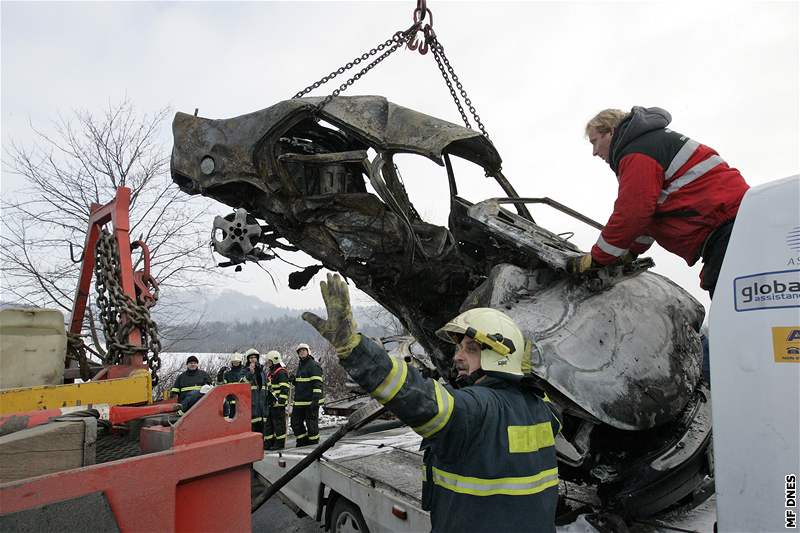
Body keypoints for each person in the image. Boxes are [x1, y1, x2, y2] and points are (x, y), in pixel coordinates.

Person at [303, 274, 561, 533]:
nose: (457, 356)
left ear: (500, 357)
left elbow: (420, 399)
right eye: (459, 348)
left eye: (470, 348)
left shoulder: (477, 409)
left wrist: (354, 349)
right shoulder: (543, 409)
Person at [574, 106, 749, 298]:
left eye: (595, 142)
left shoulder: (637, 151)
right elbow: (649, 217)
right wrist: (631, 251)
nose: (594, 152)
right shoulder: (649, 143)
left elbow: (633, 213)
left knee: (733, 301)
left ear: (611, 131)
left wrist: (596, 259)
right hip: (736, 225)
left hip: (726, 231)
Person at [290, 342, 324, 447]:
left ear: (308, 352)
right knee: (295, 422)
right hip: (299, 401)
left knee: (311, 424)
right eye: (300, 351)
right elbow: (302, 384)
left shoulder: (314, 365)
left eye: (304, 351)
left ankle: (313, 443)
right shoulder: (301, 365)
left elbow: (317, 384)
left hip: (310, 401)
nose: (302, 353)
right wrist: (294, 381)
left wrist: (315, 400)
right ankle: (302, 441)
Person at [264, 350, 290, 450]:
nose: (268, 363)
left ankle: (279, 444)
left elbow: (284, 389)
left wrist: (280, 402)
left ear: (274, 361)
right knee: (269, 425)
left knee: (279, 425)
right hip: (271, 403)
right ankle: (269, 443)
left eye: (269, 361)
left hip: (278, 404)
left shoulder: (281, 372)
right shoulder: (272, 372)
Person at [243, 348, 266, 437]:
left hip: (262, 403)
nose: (253, 359)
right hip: (251, 403)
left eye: (255, 357)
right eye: (251, 357)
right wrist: (250, 373)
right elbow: (242, 382)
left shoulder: (261, 371)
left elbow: (266, 385)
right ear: (248, 359)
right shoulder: (244, 370)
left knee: (263, 427)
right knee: (253, 426)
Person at [222, 352, 246, 418]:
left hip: (243, 401)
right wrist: (220, 375)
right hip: (230, 401)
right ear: (232, 362)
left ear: (240, 362)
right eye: (234, 362)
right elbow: (223, 386)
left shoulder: (245, 372)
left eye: (237, 362)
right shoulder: (227, 374)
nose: (235, 363)